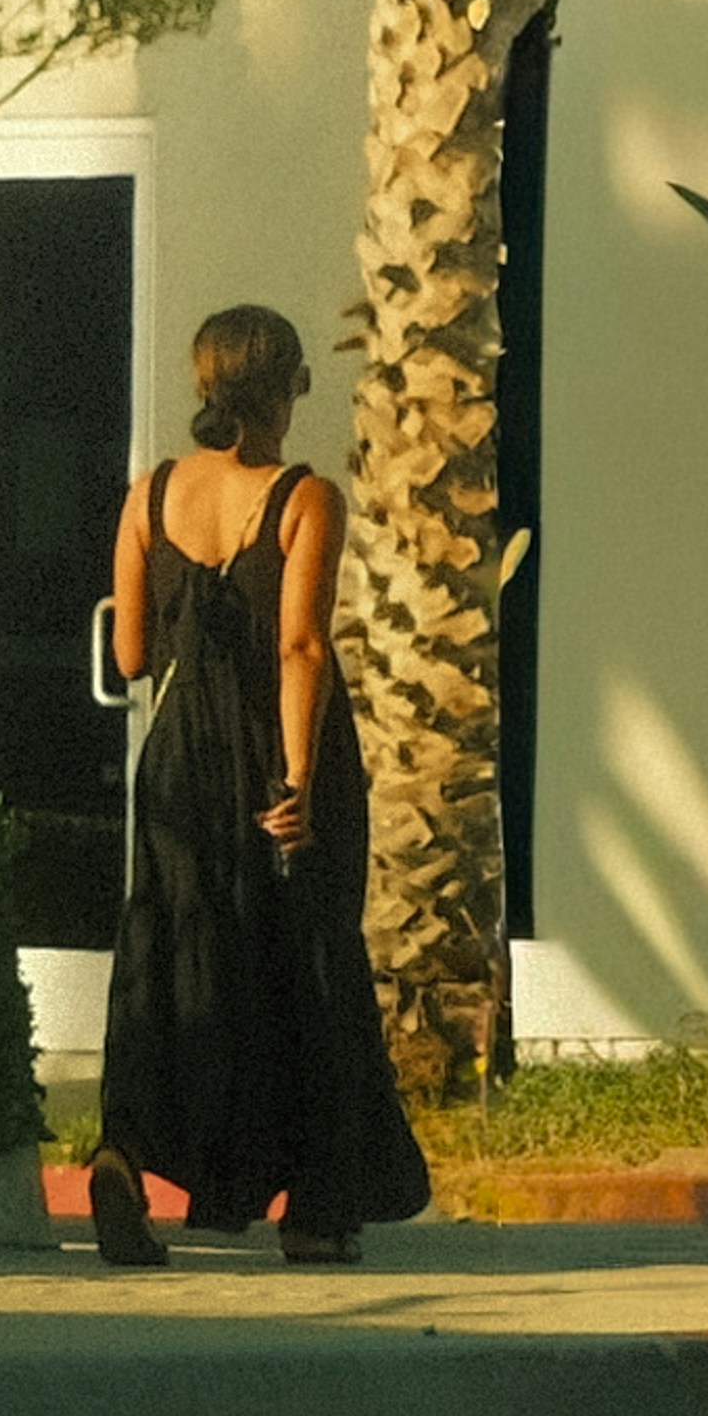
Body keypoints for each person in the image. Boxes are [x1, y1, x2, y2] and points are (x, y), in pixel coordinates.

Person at [87, 305, 436, 1268]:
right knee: (305, 959)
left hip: (177, 759)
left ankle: (122, 1153)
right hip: (278, 750)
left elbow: (130, 653)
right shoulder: (303, 498)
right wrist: (294, 781)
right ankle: (317, 1207)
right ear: (285, 391)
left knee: (170, 949)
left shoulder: (150, 492)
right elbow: (301, 646)